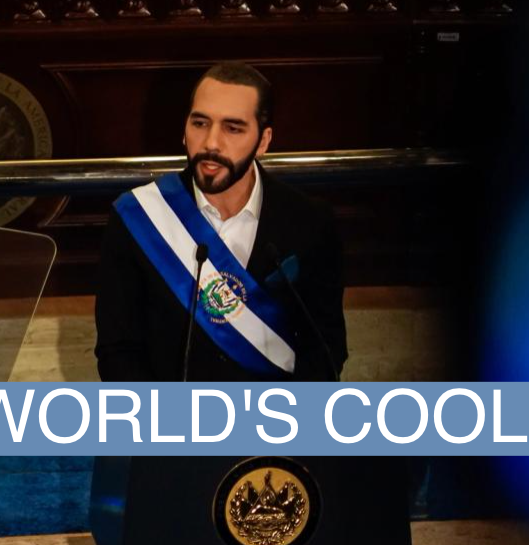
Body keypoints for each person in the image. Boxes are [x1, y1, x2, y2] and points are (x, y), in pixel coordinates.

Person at [94, 62, 347, 383]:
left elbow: (326, 347)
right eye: (200, 123)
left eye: (233, 128)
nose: (211, 143)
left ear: (264, 140)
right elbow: (118, 351)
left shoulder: (310, 221)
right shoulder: (136, 217)